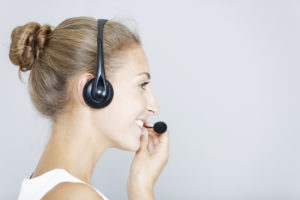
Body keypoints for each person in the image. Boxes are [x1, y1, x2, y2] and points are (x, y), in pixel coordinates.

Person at [9, 16, 170, 200]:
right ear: (93, 89)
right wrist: (142, 191)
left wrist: (140, 181)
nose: (154, 107)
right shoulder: (75, 196)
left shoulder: (47, 186)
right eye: (142, 84)